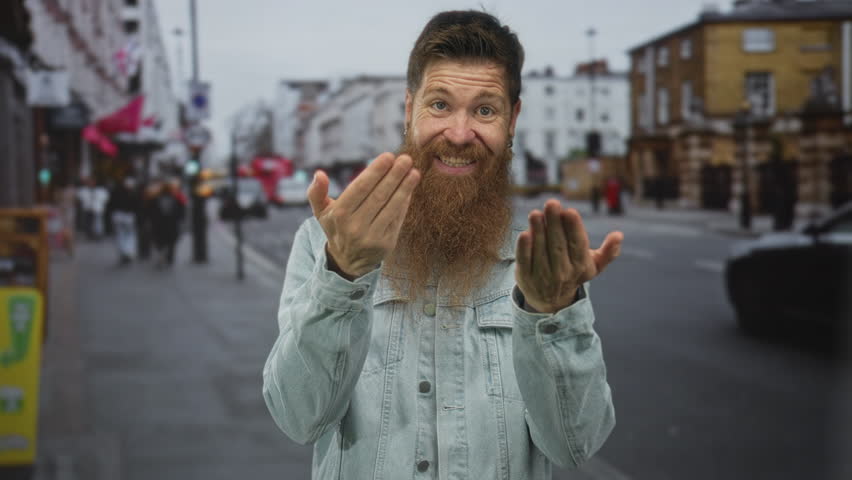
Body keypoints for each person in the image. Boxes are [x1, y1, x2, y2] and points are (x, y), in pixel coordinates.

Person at [263, 11, 624, 479]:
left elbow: (574, 444)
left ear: (512, 119)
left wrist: (552, 315)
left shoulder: (539, 261)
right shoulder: (327, 242)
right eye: (439, 105)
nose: (458, 133)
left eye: (485, 110)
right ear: (409, 108)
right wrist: (344, 273)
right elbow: (298, 418)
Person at [148, 179, 185, 267]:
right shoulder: (175, 198)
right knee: (171, 241)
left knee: (160, 241)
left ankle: (162, 254)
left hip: (159, 224)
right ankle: (169, 257)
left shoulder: (156, 198)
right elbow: (180, 211)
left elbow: (151, 211)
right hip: (171, 224)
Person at [107, 177, 141, 265]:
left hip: (120, 216)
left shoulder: (116, 193)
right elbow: (137, 207)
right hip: (127, 216)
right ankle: (127, 252)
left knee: (121, 234)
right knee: (128, 235)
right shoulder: (133, 194)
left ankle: (124, 252)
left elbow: (110, 205)